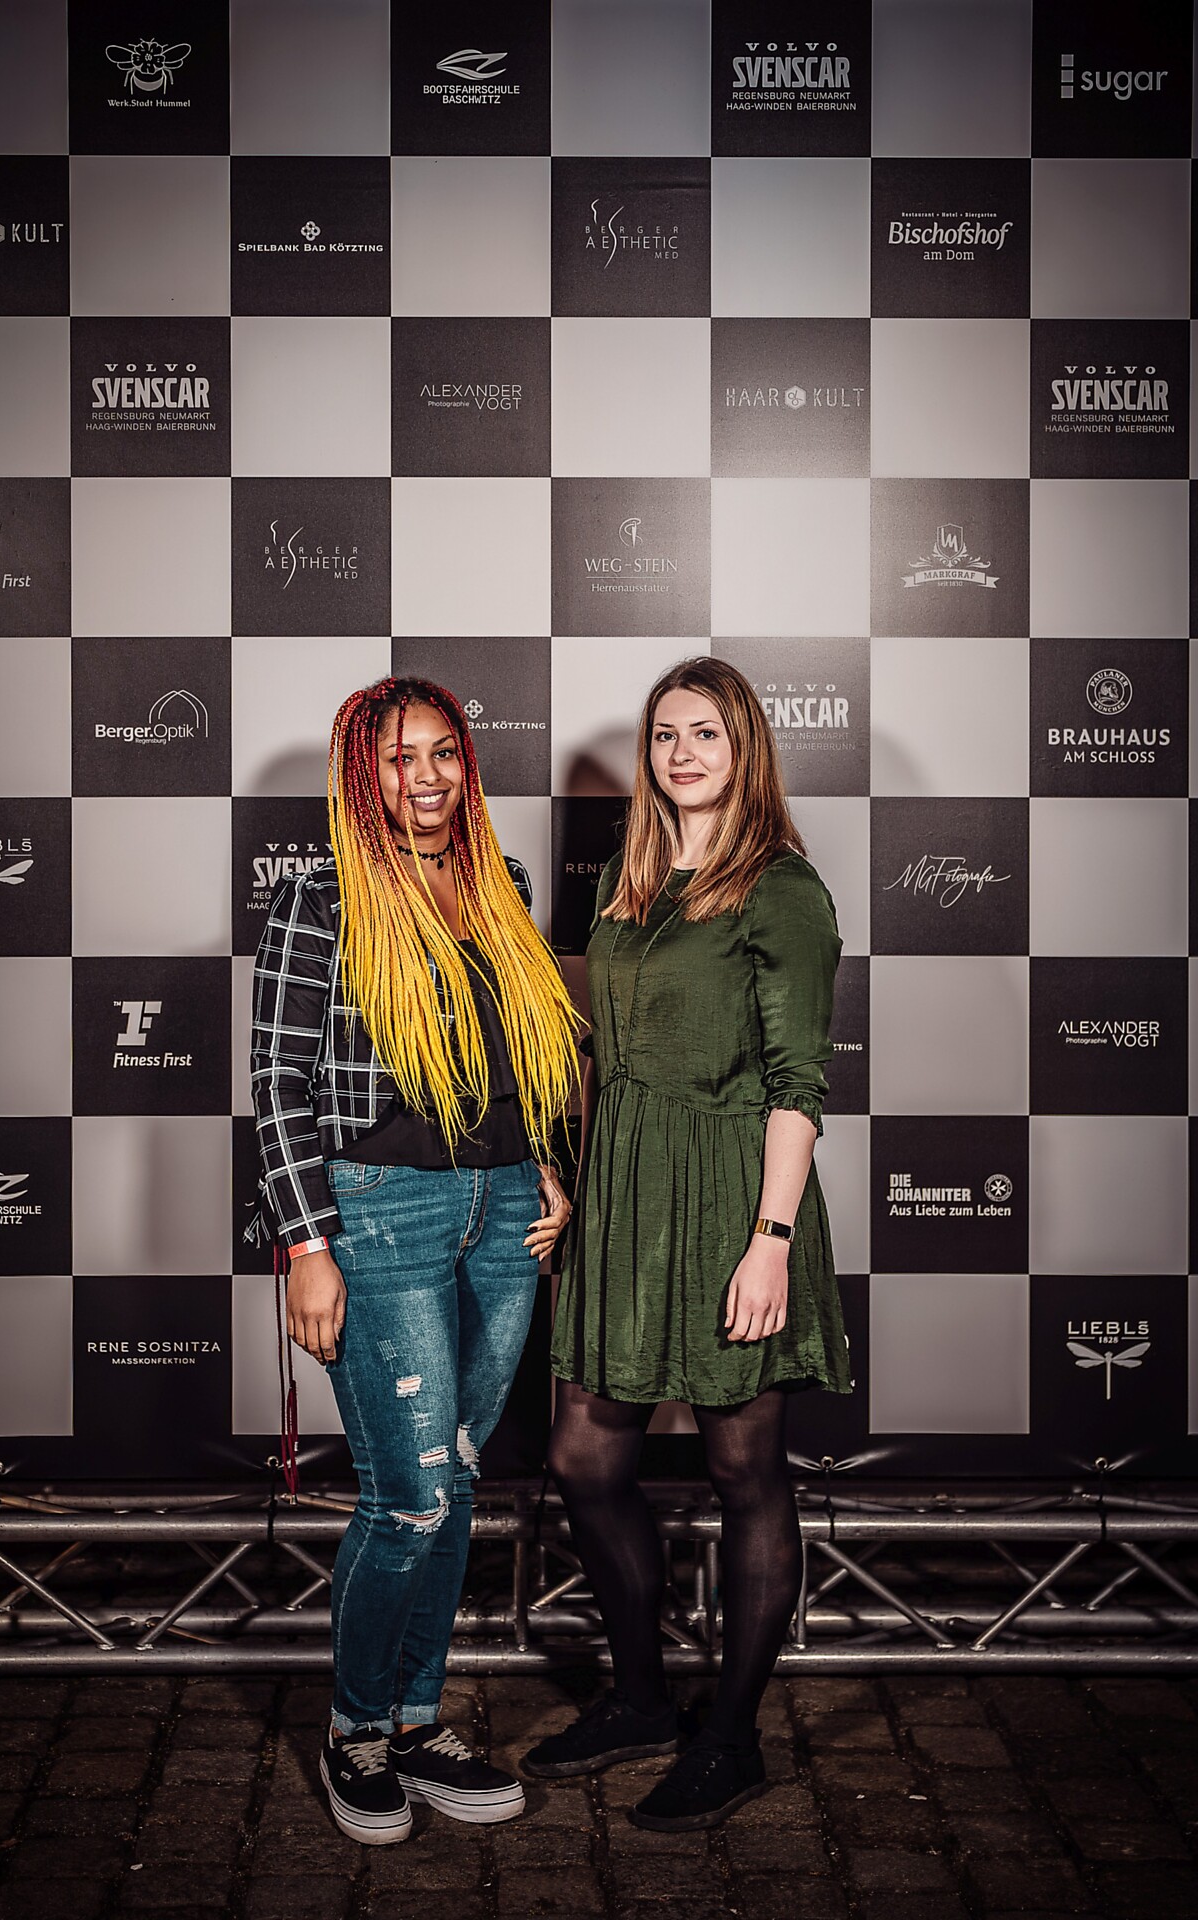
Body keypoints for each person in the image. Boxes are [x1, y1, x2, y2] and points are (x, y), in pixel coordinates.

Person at [522, 657, 850, 1831]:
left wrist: (769, 1241)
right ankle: (643, 1701)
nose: (681, 754)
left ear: (743, 745)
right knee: (583, 1456)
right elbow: (598, 1052)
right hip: (623, 1192)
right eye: (664, 735)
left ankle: (732, 1739)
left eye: (704, 733)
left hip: (727, 1199)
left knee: (742, 1471)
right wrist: (572, 1174)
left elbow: (797, 1085)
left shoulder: (781, 888)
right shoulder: (630, 879)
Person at [252, 675, 580, 1845]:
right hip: (379, 1210)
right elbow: (277, 1083)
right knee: (411, 1497)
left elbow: (521, 1052)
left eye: (443, 753)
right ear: (364, 773)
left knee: (457, 1479)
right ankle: (355, 1731)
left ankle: (414, 1719)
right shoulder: (320, 898)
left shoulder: (503, 884)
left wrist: (543, 1164)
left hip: (503, 1208)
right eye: (400, 758)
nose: (427, 777)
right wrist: (306, 1243)